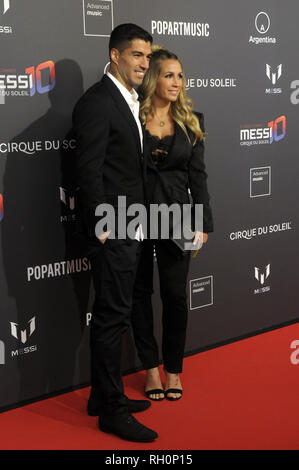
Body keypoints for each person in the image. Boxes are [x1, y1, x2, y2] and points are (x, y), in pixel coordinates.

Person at [72, 24, 158, 442]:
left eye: (148, 55)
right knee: (111, 318)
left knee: (115, 313)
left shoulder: (129, 99)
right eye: (137, 54)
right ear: (115, 55)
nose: (145, 62)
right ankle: (111, 410)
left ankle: (99, 396)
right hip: (115, 228)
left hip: (132, 224)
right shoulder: (98, 103)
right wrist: (103, 226)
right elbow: (87, 171)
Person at [131, 46, 213, 402]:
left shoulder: (192, 121)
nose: (176, 81)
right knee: (138, 294)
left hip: (179, 217)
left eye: (180, 75)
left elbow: (199, 177)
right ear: (153, 78)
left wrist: (203, 223)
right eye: (168, 74)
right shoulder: (131, 116)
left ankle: (173, 371)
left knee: (176, 297)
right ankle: (150, 368)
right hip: (132, 216)